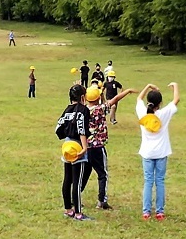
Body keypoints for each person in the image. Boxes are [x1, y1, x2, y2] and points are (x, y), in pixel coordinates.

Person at [81, 86, 137, 210]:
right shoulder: (100, 109)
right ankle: (102, 201)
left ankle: (76, 197)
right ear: (98, 98)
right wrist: (127, 91)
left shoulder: (83, 110)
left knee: (84, 174)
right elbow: (115, 99)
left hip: (86, 147)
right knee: (102, 174)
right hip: (98, 147)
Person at [136, 82, 180, 221]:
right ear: (160, 103)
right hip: (161, 152)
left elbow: (138, 99)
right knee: (160, 181)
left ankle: (146, 212)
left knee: (148, 181)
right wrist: (175, 86)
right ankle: (160, 212)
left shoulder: (143, 113)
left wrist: (148, 86)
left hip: (147, 153)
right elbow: (176, 100)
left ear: (148, 102)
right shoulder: (163, 113)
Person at [55, 84, 93, 221]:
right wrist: (84, 148)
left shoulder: (67, 110)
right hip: (77, 146)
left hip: (67, 146)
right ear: (83, 97)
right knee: (77, 181)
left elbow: (57, 128)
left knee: (67, 179)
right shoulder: (83, 110)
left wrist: (67, 134)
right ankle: (78, 213)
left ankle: (68, 210)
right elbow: (82, 128)